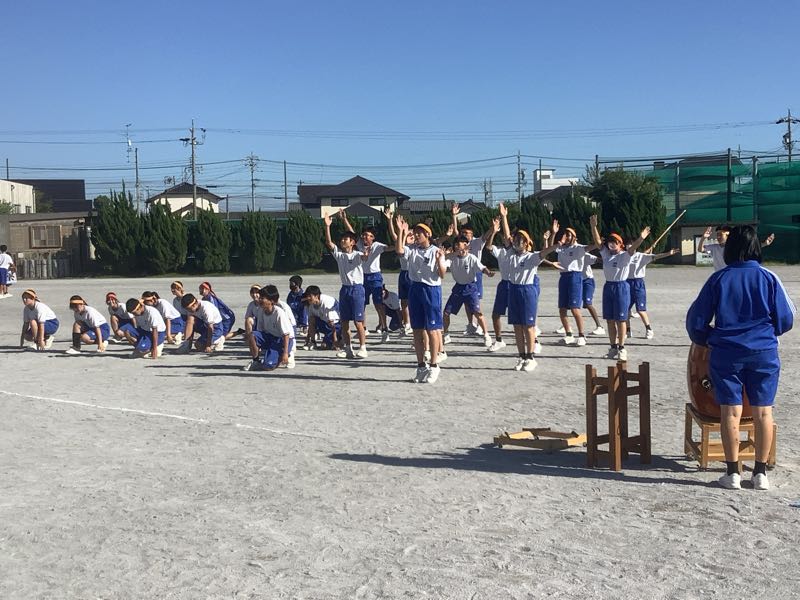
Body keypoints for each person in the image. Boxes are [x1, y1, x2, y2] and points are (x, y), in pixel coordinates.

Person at [686, 225, 795, 491]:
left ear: (730, 247)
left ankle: (732, 472)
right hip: (763, 351)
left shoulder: (719, 278)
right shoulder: (769, 277)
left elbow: (696, 322)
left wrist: (709, 338)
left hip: (727, 352)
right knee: (763, 412)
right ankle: (760, 473)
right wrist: (767, 332)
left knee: (730, 411)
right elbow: (786, 319)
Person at [395, 215, 447, 384]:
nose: (416, 235)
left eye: (419, 233)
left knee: (432, 329)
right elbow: (399, 251)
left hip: (431, 290)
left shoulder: (435, 251)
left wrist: (439, 260)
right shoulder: (412, 250)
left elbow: (442, 274)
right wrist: (401, 231)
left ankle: (434, 365)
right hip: (415, 289)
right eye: (415, 233)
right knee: (417, 330)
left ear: (427, 235)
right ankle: (421, 366)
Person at [589, 216, 649, 361]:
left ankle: (622, 348)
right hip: (608, 287)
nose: (611, 244)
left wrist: (641, 238)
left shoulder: (625, 255)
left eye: (614, 242)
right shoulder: (606, 254)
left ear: (620, 244)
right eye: (610, 242)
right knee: (610, 320)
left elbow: (633, 248)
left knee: (620, 320)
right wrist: (593, 226)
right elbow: (597, 242)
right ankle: (613, 347)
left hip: (621, 287)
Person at [546, 220, 602, 347]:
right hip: (563, 277)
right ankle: (569, 334)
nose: (566, 236)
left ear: (574, 237)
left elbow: (595, 245)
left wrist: (594, 228)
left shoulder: (579, 248)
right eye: (565, 234)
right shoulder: (561, 248)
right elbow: (550, 247)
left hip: (575, 277)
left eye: (569, 234)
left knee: (575, 308)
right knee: (562, 309)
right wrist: (554, 233)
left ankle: (581, 335)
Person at [324, 212, 368, 359]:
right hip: (345, 289)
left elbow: (364, 257)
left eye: (346, 239)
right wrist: (327, 226)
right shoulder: (339, 255)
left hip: (357, 289)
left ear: (352, 242)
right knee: (344, 322)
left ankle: (363, 348)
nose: (343, 241)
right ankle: (348, 349)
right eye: (342, 239)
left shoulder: (357, 255)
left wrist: (366, 255)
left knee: (358, 321)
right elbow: (329, 243)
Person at [340, 209, 390, 341]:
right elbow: (351, 232)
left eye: (368, 235)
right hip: (362, 278)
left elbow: (391, 248)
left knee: (378, 304)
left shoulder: (377, 246)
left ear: (373, 237)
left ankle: (384, 328)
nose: (364, 237)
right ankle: (364, 328)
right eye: (363, 235)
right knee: (361, 304)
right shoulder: (359, 244)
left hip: (375, 277)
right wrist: (344, 219)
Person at [442, 235, 495, 347]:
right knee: (446, 313)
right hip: (458, 288)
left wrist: (488, 273)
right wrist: (451, 254)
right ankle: (445, 334)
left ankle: (486, 335)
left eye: (460, 244)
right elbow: (443, 262)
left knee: (478, 313)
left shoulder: (472, 258)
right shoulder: (452, 258)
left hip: (470, 287)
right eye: (456, 245)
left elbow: (482, 267)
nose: (457, 247)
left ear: (466, 246)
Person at [626, 246, 679, 339]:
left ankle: (649, 329)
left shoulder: (641, 256)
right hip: (626, 283)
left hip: (638, 283)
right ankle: (627, 330)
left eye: (632, 246)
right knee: (625, 309)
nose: (630, 249)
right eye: (628, 247)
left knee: (640, 310)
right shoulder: (624, 256)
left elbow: (656, 256)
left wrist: (668, 253)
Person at [242, 285, 296, 371]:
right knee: (252, 335)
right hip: (270, 336)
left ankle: (288, 355)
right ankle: (256, 361)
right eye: (260, 298)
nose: (260, 300)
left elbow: (286, 335)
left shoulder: (279, 313)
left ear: (271, 301)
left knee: (268, 367)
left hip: (282, 340)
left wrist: (285, 353)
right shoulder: (261, 310)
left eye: (262, 298)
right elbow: (260, 331)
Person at [385, 207, 415, 335]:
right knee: (403, 301)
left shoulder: (415, 248)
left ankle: (414, 323)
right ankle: (407, 323)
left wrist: (404, 232)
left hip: (412, 274)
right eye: (409, 235)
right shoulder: (402, 245)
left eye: (412, 235)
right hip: (403, 274)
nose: (411, 237)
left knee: (413, 301)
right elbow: (394, 235)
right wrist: (390, 221)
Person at [698, 225, 775, 272]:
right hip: (720, 275)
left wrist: (765, 244)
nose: (718, 237)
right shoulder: (714, 247)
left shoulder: (734, 247)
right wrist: (703, 238)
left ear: (728, 235)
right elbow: (700, 249)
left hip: (733, 274)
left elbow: (749, 247)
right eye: (717, 234)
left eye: (720, 234)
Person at [300, 285, 342, 350]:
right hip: (325, 323)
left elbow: (332, 325)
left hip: (336, 326)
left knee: (324, 346)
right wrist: (307, 341)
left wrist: (335, 341)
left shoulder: (327, 302)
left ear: (316, 296)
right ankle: (313, 342)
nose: (308, 298)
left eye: (310, 296)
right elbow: (310, 324)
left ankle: (341, 339)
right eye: (307, 296)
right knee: (311, 319)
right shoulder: (310, 304)